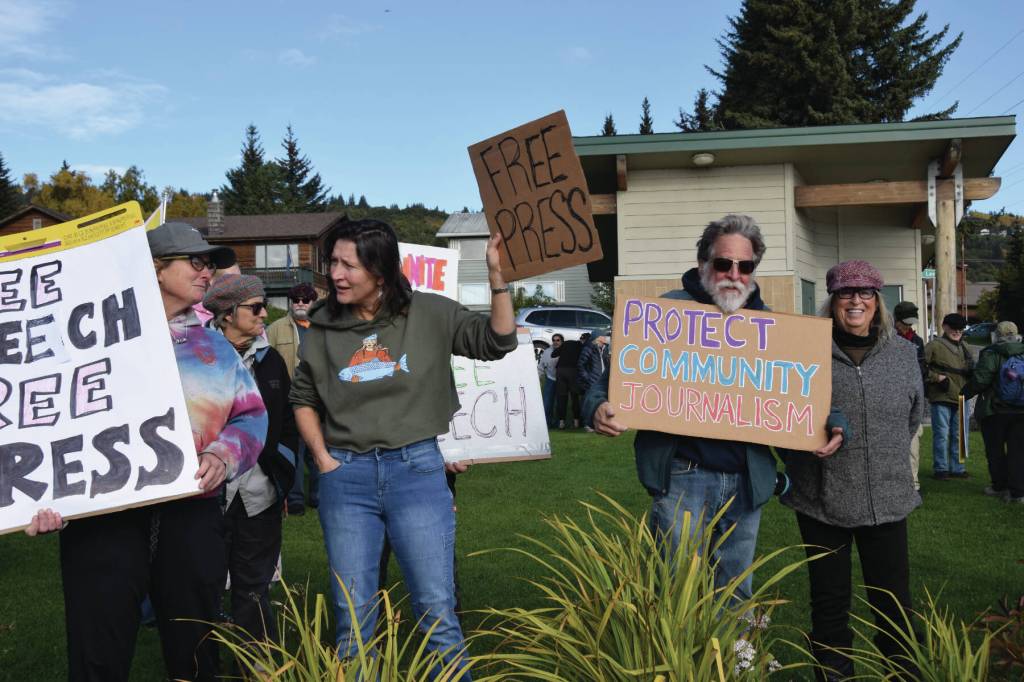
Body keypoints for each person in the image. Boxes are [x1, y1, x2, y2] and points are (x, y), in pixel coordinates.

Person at [27, 222, 267, 682]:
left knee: (195, 646)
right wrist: (39, 496)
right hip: (104, 518)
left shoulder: (213, 345)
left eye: (210, 263)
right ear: (156, 269)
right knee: (100, 647)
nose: (207, 273)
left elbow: (252, 415)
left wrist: (222, 455)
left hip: (192, 513)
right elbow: (39, 420)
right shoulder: (78, 343)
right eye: (196, 262)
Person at [289, 218, 516, 674]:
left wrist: (497, 280)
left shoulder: (430, 313)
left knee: (437, 614)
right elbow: (304, 398)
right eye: (332, 262)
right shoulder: (322, 326)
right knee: (352, 623)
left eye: (348, 265)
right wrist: (323, 460)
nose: (335, 274)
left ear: (381, 270)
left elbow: (498, 340)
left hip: (416, 472)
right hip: (345, 479)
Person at [585, 215, 812, 605]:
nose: (734, 275)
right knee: (674, 589)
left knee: (735, 592)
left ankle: (735, 666)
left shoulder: (772, 327)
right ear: (704, 262)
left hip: (745, 480)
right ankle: (673, 666)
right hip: (683, 476)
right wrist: (596, 408)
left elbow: (798, 402)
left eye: (745, 266)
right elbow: (605, 386)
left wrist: (826, 428)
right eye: (724, 263)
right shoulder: (663, 315)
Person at [782, 260, 923, 681]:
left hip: (887, 497)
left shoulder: (902, 353)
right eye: (846, 292)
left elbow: (914, 417)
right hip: (821, 500)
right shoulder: (805, 349)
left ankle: (901, 674)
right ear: (833, 299)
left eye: (865, 293)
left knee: (894, 603)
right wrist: (806, 447)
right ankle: (834, 676)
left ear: (877, 301)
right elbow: (780, 416)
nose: (856, 300)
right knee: (829, 603)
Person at [204, 274, 299, 645]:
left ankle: (257, 665)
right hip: (208, 493)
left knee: (254, 588)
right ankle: (204, 662)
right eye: (255, 307)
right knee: (203, 585)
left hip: (260, 495)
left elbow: (288, 422)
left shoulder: (271, 360)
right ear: (227, 314)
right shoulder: (198, 355)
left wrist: (283, 476)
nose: (264, 314)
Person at [268, 283, 319, 514]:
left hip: (320, 401)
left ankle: (318, 496)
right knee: (295, 449)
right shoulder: (276, 328)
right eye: (295, 299)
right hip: (289, 401)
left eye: (305, 299)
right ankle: (296, 498)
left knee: (318, 449)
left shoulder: (324, 328)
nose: (300, 303)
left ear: (313, 302)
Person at [962, 321, 1024, 503]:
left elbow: (981, 379)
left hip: (995, 410)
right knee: (1018, 452)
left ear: (997, 334)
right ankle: (1018, 493)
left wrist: (964, 393)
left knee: (995, 450)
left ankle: (999, 486)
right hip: (1021, 410)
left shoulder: (992, 352)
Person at [924, 313, 973, 480]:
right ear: (944, 327)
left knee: (960, 436)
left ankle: (958, 468)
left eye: (960, 329)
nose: (957, 331)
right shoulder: (933, 346)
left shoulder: (965, 347)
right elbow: (920, 367)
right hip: (941, 396)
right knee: (942, 434)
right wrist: (936, 378)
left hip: (961, 396)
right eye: (953, 328)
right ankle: (941, 469)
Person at [894, 301, 927, 492]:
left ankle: (913, 483)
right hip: (891, 396)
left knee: (914, 441)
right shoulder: (885, 338)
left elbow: (922, 367)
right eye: (905, 322)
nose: (909, 326)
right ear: (896, 320)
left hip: (912, 397)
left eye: (911, 323)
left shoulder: (917, 341)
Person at [576, 331, 610, 430]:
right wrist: (588, 378)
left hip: (601, 380)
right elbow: (580, 365)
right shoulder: (589, 348)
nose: (606, 338)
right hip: (592, 380)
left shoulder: (605, 349)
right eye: (604, 336)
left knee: (599, 402)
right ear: (598, 337)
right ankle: (587, 424)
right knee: (589, 401)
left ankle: (597, 423)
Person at [552, 332, 586, 429]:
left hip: (560, 371)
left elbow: (553, 355)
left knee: (561, 397)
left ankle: (561, 422)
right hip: (572, 371)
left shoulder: (566, 344)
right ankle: (576, 422)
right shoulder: (582, 347)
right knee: (574, 397)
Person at [537, 334, 563, 427]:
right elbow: (541, 367)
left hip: (562, 380)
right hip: (550, 378)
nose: (555, 342)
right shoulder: (547, 352)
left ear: (562, 341)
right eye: (554, 340)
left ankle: (558, 423)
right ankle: (546, 423)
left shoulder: (565, 350)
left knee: (559, 403)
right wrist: (538, 378)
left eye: (558, 340)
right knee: (547, 402)